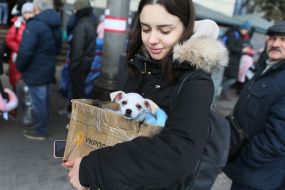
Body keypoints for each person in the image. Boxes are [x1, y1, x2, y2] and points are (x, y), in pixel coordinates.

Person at [64, 0, 228, 189]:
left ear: (186, 28)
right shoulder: (139, 64)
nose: (151, 39)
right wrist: (86, 133)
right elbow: (126, 126)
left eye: (165, 30)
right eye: (145, 28)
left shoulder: (196, 83)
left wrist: (92, 167)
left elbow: (178, 155)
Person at [223, 21, 285, 190]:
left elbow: (277, 138)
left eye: (282, 39)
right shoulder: (267, 67)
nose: (276, 44)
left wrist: (247, 157)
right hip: (248, 168)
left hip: (258, 174)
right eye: (272, 38)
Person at [16, 0, 62, 140]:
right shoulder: (54, 24)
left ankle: (41, 130)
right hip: (47, 68)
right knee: (44, 100)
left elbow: (25, 51)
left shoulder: (35, 25)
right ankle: (42, 124)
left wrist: (19, 66)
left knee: (39, 102)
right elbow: (58, 48)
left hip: (36, 70)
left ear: (37, 8)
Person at [68, 0, 97, 110]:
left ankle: (77, 113)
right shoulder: (91, 21)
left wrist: (72, 66)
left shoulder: (81, 25)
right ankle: (73, 109)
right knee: (79, 88)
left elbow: (78, 50)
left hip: (80, 64)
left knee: (78, 90)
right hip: (87, 61)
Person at [220, 21, 253, 99]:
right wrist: (243, 50)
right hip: (229, 60)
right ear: (243, 28)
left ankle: (222, 93)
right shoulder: (234, 34)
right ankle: (219, 90)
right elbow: (230, 47)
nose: (246, 32)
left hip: (235, 62)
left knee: (228, 78)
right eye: (246, 30)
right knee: (231, 79)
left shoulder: (240, 36)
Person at [6, 2, 34, 91]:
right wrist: (19, 49)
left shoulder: (36, 25)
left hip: (31, 56)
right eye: (26, 12)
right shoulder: (17, 25)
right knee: (16, 77)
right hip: (17, 56)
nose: (28, 14)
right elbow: (9, 39)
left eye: (30, 12)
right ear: (22, 13)